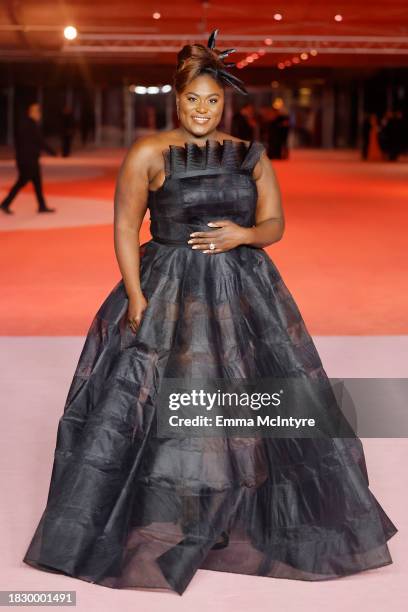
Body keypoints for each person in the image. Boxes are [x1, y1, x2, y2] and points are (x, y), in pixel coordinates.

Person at [22, 29, 397, 595]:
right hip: (166, 286)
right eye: (192, 99)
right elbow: (125, 226)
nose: (202, 109)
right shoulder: (149, 153)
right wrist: (136, 293)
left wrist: (246, 233)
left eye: (213, 100)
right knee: (153, 397)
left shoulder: (250, 155)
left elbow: (275, 224)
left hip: (242, 292)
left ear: (226, 102)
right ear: (176, 100)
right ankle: (165, 513)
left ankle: (230, 513)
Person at [0, 103, 57, 214]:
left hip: (27, 159)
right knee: (21, 182)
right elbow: (40, 142)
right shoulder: (31, 126)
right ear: (32, 113)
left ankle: (42, 205)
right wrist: (52, 152)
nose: (39, 114)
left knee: (37, 183)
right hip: (28, 161)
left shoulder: (25, 124)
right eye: (37, 112)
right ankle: (5, 203)